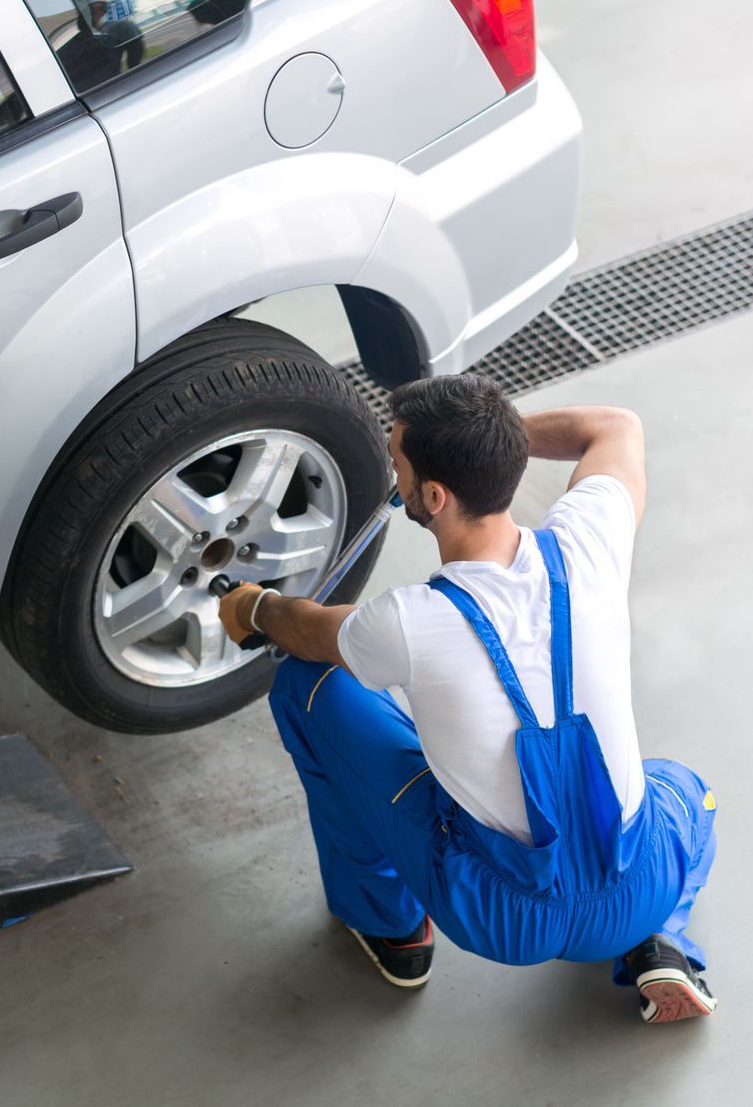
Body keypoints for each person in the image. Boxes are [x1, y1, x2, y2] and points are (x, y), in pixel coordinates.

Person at [217, 374, 720, 1023]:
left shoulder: (406, 622)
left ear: (431, 494)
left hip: (502, 917)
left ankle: (393, 930)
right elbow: (616, 425)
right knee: (682, 787)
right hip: (639, 889)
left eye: (397, 462)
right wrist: (490, 444)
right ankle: (661, 942)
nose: (392, 476)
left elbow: (309, 633)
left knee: (305, 686)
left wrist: (254, 605)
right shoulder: (590, 540)